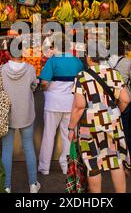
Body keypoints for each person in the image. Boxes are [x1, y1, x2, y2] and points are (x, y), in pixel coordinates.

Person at [68, 43, 131, 193]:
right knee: (115, 161)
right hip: (113, 123)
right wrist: (115, 113)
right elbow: (125, 99)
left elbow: (79, 106)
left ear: (89, 58)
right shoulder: (114, 73)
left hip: (89, 126)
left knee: (93, 164)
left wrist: (71, 128)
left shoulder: (82, 77)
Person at [0, 38, 41, 193]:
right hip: (26, 112)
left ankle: (7, 186)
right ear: (22, 51)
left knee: (6, 150)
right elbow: (34, 85)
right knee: (29, 147)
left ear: (8, 52)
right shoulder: (30, 69)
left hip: (7, 114)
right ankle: (33, 184)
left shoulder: (1, 70)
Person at [38, 34, 84, 175]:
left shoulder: (52, 61)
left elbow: (44, 83)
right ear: (70, 46)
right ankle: (65, 167)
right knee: (67, 135)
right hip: (71, 104)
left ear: (55, 46)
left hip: (53, 104)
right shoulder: (78, 62)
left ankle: (44, 168)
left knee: (48, 135)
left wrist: (43, 87)